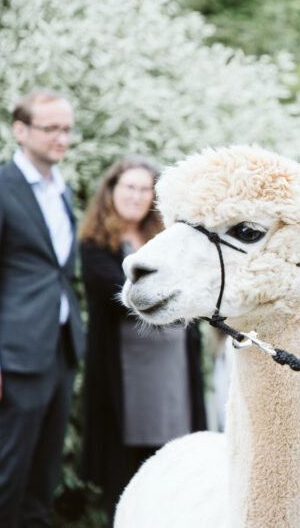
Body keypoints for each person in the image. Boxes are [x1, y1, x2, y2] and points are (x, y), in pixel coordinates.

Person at [78, 156, 207, 522]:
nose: (136, 196)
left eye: (144, 189)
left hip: (174, 371)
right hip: (125, 375)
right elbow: (116, 293)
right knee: (126, 471)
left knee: (174, 464)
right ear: (111, 191)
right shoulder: (95, 244)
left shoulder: (165, 239)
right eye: (129, 187)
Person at [0, 89, 86, 527]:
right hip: (14, 359)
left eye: (66, 129)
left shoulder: (60, 191)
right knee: (4, 477)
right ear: (21, 130)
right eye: (51, 128)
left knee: (42, 480)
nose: (61, 138)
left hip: (59, 352)